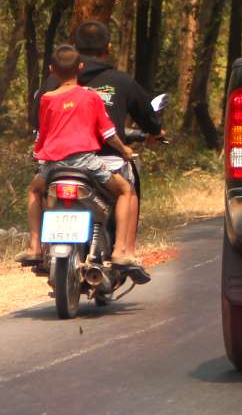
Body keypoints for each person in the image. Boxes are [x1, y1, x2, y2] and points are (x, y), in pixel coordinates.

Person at [35, 20, 164, 269]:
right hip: (104, 159)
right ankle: (123, 250)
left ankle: (39, 247)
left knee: (38, 188)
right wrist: (154, 132)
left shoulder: (53, 84)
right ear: (109, 47)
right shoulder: (121, 81)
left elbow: (38, 123)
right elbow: (139, 120)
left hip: (56, 159)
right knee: (129, 188)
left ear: (74, 49)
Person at [16, 45, 139, 268]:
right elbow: (108, 133)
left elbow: (43, 134)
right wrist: (124, 150)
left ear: (52, 69)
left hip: (53, 166)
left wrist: (37, 154)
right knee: (125, 190)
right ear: (80, 67)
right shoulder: (90, 97)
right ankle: (120, 251)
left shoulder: (46, 98)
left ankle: (35, 246)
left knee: (34, 190)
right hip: (86, 163)